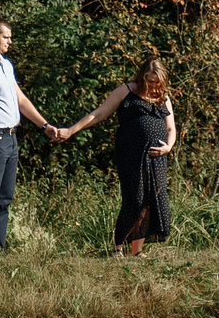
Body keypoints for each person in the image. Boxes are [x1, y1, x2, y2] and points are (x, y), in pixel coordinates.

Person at [0, 19, 64, 254]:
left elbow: (21, 99)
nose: (10, 41)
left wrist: (44, 125)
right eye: (6, 37)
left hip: (12, 138)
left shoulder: (5, 65)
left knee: (4, 198)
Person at [62, 54, 180, 255]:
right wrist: (71, 130)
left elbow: (171, 128)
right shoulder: (126, 92)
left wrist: (168, 147)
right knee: (134, 198)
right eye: (150, 81)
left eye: (157, 82)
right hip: (131, 154)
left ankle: (137, 250)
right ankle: (118, 247)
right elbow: (98, 114)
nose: (153, 86)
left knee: (150, 200)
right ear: (142, 77)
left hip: (157, 157)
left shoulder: (163, 97)